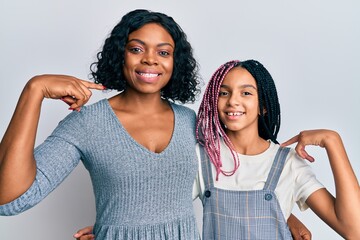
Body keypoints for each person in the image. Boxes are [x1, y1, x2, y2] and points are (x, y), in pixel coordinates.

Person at [0, 9, 202, 239]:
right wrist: (34, 90)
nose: (150, 59)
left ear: (175, 61)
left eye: (164, 52)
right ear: (120, 55)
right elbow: (8, 200)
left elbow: (230, 181)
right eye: (136, 49)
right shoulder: (87, 123)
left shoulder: (190, 120)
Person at [193, 59, 360, 239]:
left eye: (246, 93)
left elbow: (354, 230)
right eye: (224, 93)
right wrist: (288, 217)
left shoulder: (289, 164)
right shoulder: (201, 157)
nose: (233, 101)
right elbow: (166, 212)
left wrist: (332, 141)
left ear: (263, 106)